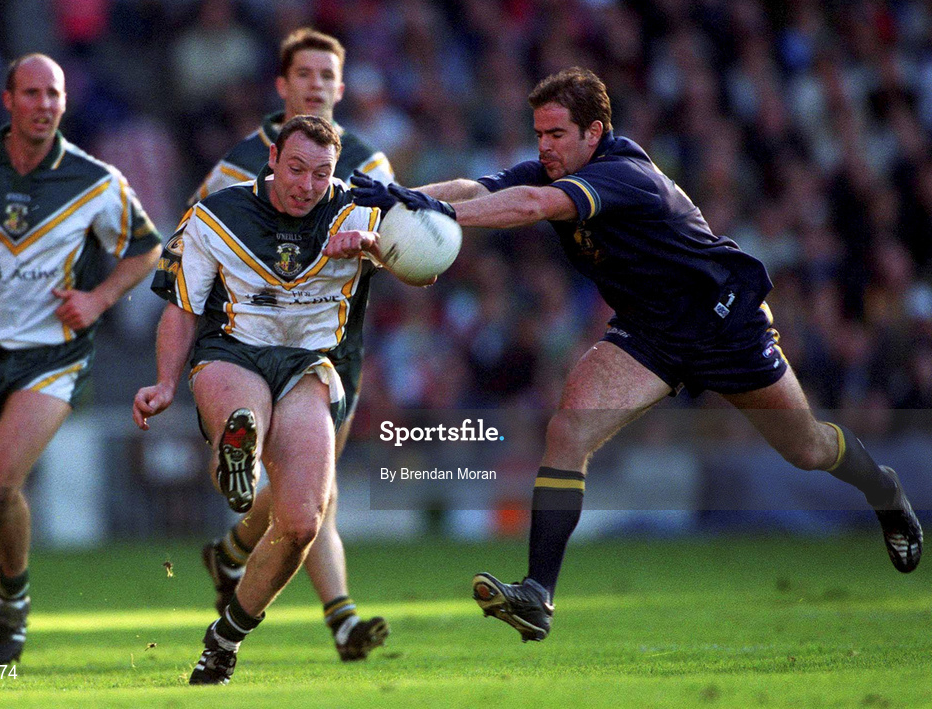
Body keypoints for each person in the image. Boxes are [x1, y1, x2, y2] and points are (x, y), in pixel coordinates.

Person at [350, 67, 923, 643]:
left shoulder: (625, 176)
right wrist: (406, 200)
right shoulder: (555, 168)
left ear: (593, 132)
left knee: (806, 447)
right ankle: (538, 595)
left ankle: (884, 490)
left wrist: (437, 215)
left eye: (556, 134)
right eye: (539, 134)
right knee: (569, 428)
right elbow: (479, 190)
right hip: (650, 334)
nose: (543, 146)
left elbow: (528, 206)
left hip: (724, 322)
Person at [133, 116, 421, 685]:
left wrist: (376, 248)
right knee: (243, 417)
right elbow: (182, 307)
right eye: (296, 169)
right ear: (272, 159)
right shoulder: (218, 213)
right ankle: (238, 452)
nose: (307, 185)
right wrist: (166, 382)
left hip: (310, 366)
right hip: (231, 350)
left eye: (321, 174)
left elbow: (426, 267)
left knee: (301, 521)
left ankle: (225, 639)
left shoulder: (360, 210)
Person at [0, 54, 162, 667]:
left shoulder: (95, 179)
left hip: (54, 356)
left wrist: (99, 297)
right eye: (33, 92)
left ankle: (14, 618)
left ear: (65, 103)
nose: (45, 104)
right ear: (8, 100)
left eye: (54, 94)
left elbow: (147, 249)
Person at [192, 28, 392, 662]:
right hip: (250, 340)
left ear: (340, 85)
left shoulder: (369, 161)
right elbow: (195, 232)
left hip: (332, 343)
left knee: (307, 485)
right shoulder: (238, 160)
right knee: (311, 489)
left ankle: (232, 552)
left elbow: (402, 238)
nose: (316, 85)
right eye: (304, 73)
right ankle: (343, 620)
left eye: (327, 75)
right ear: (282, 85)